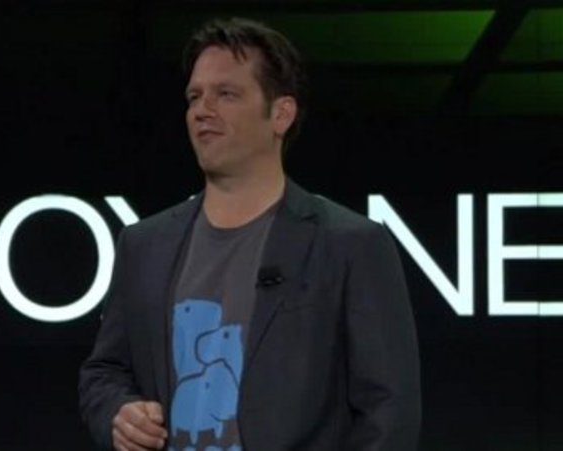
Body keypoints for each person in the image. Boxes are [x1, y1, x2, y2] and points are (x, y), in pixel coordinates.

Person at [79, 17, 421, 451]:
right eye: (194, 96)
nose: (203, 110)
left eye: (226, 94)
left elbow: (389, 413)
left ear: (281, 114)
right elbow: (105, 372)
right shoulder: (144, 245)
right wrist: (119, 413)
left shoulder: (349, 244)